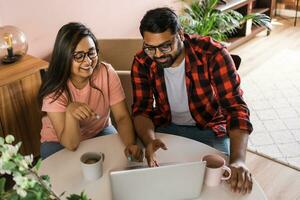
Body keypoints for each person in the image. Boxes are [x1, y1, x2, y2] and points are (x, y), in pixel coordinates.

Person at [131, 7, 253, 194]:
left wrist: (238, 160)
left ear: (180, 34)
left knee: (218, 185)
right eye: (150, 48)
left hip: (210, 128)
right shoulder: (142, 61)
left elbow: (235, 108)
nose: (158, 55)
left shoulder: (213, 54)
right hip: (166, 127)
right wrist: (150, 140)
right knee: (154, 182)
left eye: (165, 46)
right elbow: (141, 110)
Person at [38, 22, 143, 161]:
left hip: (100, 131)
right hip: (58, 141)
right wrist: (71, 114)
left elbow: (122, 117)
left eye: (91, 53)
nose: (88, 61)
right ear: (64, 57)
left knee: (120, 162)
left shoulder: (106, 72)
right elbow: (71, 144)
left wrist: (131, 144)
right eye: (79, 56)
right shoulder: (54, 89)